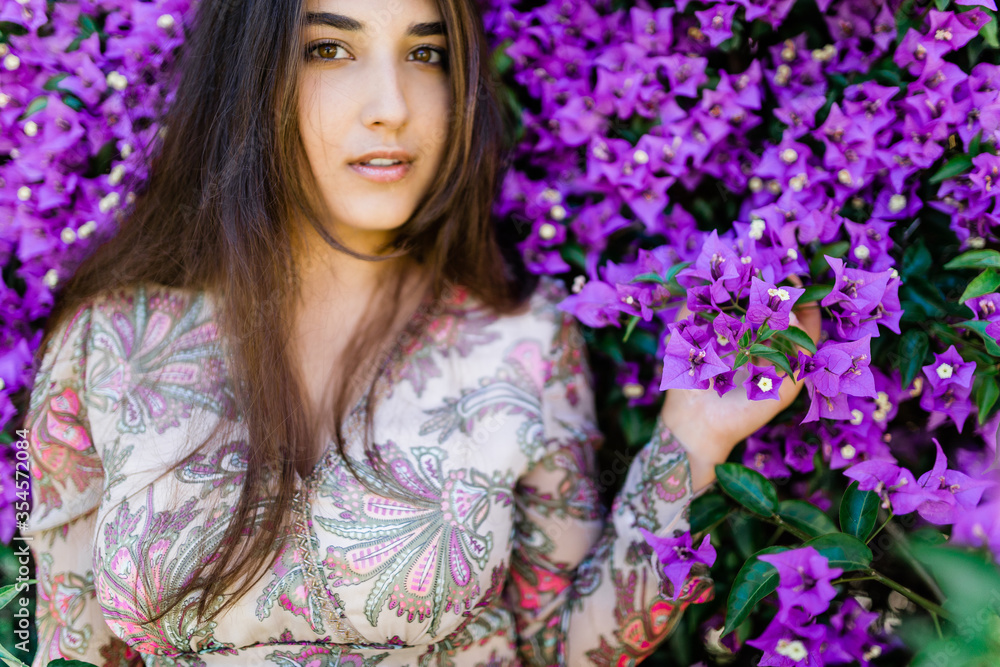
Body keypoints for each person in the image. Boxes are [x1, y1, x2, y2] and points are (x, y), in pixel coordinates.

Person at [21, 0, 821, 665]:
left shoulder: (522, 344)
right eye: (330, 49)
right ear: (250, 80)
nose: (393, 106)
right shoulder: (108, 341)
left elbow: (563, 648)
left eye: (427, 54)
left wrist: (691, 442)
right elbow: (54, 644)